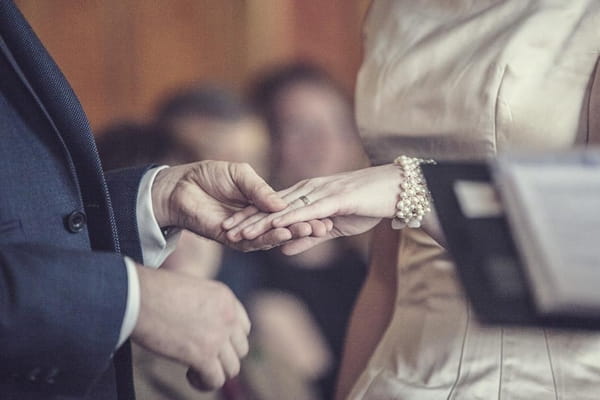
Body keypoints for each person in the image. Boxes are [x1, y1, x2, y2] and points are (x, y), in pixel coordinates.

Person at [224, 1, 600, 399]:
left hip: (542, 377)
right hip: (395, 370)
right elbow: (388, 274)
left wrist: (412, 187)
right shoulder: (389, 13)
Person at [0, 2, 325, 399]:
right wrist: (131, 297)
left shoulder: (261, 341)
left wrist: (157, 198)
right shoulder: (109, 365)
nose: (186, 235)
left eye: (259, 164)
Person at [217, 62, 369, 399]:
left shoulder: (375, 268)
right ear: (263, 145)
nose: (326, 146)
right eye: (301, 130)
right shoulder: (234, 271)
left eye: (339, 127)